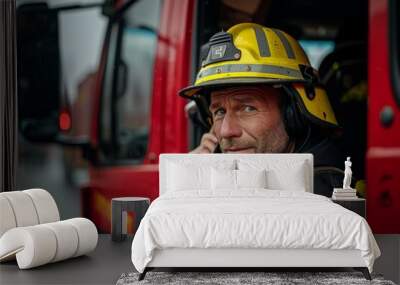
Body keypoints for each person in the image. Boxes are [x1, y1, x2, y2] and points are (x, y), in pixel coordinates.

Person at [179, 23, 345, 197]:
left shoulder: (321, 189)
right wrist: (194, 178)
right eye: (220, 111)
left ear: (293, 114)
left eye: (248, 108)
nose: (227, 131)